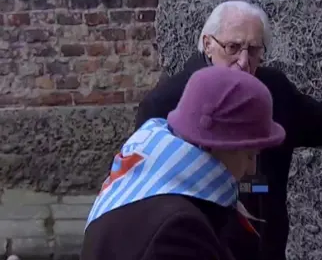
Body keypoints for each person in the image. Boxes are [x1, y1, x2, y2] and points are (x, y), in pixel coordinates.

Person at [135, 0, 322, 260]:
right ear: (207, 44)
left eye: (254, 50)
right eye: (233, 48)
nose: (243, 62)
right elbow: (145, 198)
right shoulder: (164, 105)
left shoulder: (271, 90)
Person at [80, 66, 286, 260]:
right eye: (249, 154)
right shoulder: (178, 231)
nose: (251, 168)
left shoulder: (144, 179)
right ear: (213, 146)